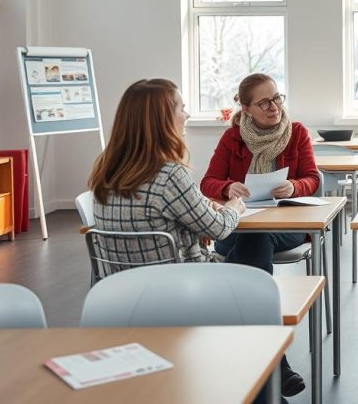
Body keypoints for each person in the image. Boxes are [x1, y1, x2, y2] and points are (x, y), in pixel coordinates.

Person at [200, 72, 319, 398]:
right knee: (251, 239)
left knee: (255, 241)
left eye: (277, 98)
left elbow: (312, 179)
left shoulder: (296, 133)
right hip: (237, 225)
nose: (274, 107)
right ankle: (275, 361)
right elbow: (208, 182)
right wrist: (227, 187)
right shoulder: (232, 138)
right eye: (264, 102)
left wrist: (295, 186)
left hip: (285, 228)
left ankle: (262, 357)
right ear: (246, 107)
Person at [88, 78, 245, 264]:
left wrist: (204, 211)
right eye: (182, 108)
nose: (186, 115)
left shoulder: (105, 170)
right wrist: (233, 208)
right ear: (163, 118)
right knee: (253, 244)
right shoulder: (169, 175)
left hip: (122, 286)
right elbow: (219, 229)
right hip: (177, 285)